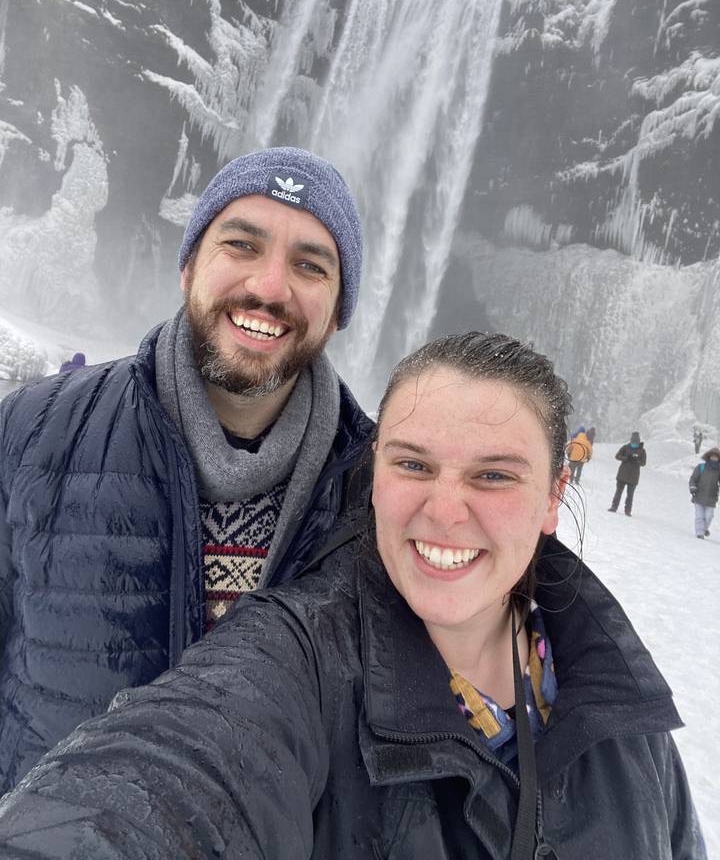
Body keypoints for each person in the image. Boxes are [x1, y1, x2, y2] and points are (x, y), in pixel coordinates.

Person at [0, 333, 705, 859]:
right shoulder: (300, 657)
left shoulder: (619, 705)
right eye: (412, 464)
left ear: (555, 498)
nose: (446, 510)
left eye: (494, 476)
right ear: (374, 475)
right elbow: (164, 782)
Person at [0, 146, 374, 795]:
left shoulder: (379, 492)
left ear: (340, 309)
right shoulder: (31, 431)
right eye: (241, 244)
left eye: (310, 265)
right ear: (188, 265)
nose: (269, 288)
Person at [608, 430, 647, 516]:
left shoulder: (642, 451)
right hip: (622, 475)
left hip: (633, 477)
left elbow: (643, 463)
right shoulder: (625, 447)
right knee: (618, 492)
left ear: (639, 441)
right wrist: (626, 458)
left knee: (630, 495)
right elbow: (617, 456)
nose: (634, 443)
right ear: (631, 440)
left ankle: (628, 511)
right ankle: (614, 507)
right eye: (633, 441)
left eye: (636, 442)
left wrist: (637, 460)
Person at [689, 447, 720, 539]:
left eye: (716, 457)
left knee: (709, 516)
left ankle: (704, 529)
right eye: (712, 456)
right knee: (699, 516)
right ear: (709, 457)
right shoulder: (701, 467)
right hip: (699, 495)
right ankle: (700, 533)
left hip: (711, 497)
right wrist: (693, 488)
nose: (714, 458)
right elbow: (693, 479)